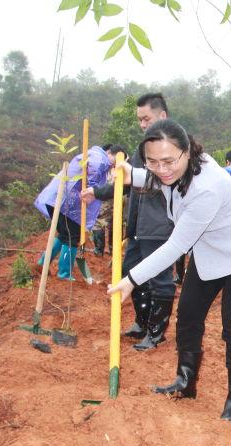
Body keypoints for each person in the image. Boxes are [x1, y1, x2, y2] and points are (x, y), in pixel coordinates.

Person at [107, 119, 231, 422]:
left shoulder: (206, 187)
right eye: (152, 161)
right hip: (210, 252)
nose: (162, 167)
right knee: (189, 315)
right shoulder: (171, 171)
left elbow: (175, 246)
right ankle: (185, 381)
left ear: (186, 152)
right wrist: (133, 174)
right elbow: (159, 177)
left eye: (168, 160)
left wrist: (131, 279)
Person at [82, 93, 176, 351]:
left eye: (146, 118)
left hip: (158, 225)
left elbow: (162, 180)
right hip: (138, 227)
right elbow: (126, 182)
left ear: (162, 116)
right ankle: (142, 323)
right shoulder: (143, 147)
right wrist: (97, 192)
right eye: (140, 120)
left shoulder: (173, 148)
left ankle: (156, 335)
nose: (143, 124)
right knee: (131, 272)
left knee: (159, 278)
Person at [35, 146, 111, 280]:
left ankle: (43, 262)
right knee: (72, 238)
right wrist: (92, 189)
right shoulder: (100, 158)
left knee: (64, 235)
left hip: (60, 201)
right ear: (110, 153)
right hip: (70, 205)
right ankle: (64, 274)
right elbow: (94, 171)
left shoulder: (90, 155)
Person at [91, 144, 128, 256]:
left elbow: (108, 184)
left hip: (111, 193)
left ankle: (99, 250)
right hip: (123, 195)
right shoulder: (125, 163)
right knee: (116, 222)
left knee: (99, 221)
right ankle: (114, 249)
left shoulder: (111, 165)